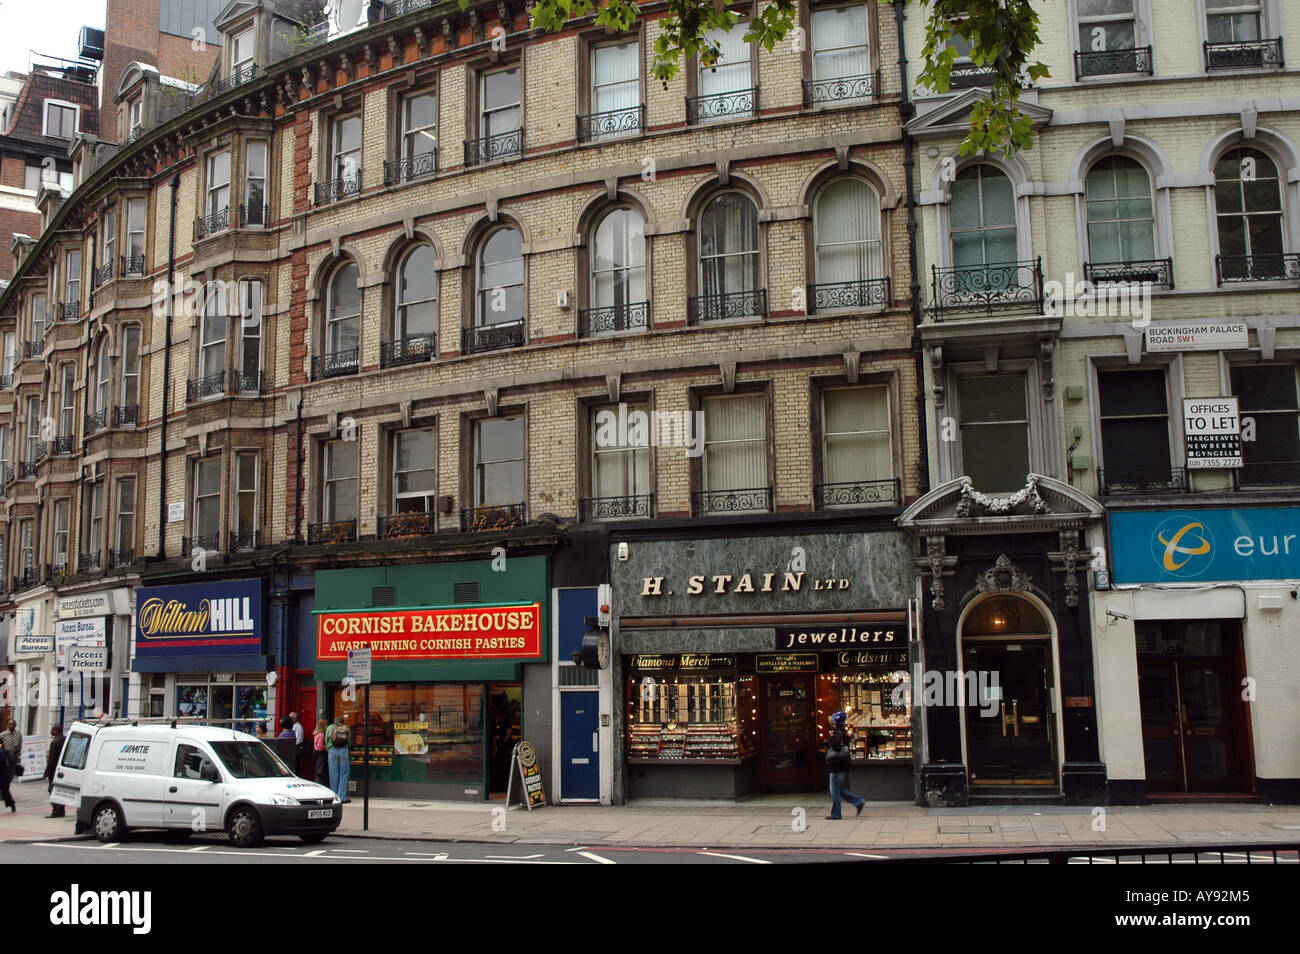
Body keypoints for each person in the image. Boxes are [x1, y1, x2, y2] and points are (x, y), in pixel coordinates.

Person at [825, 710, 864, 820]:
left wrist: (830, 741)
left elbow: (836, 746)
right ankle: (857, 802)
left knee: (834, 789)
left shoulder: (837, 732)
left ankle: (837, 813)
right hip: (843, 765)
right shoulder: (844, 732)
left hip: (837, 765)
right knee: (838, 788)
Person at [44, 725, 67, 818]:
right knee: (60, 790)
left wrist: (46, 772)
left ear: (56, 731)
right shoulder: (65, 740)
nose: (50, 731)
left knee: (52, 790)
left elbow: (51, 760)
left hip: (54, 770)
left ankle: (56, 811)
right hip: (63, 769)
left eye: (52, 729)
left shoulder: (54, 742)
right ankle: (61, 810)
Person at [327, 716, 350, 803]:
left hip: (332, 751)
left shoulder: (330, 728)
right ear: (343, 722)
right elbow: (349, 740)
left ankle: (334, 796)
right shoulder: (346, 728)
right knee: (344, 774)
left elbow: (326, 740)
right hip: (344, 750)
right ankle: (342, 797)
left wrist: (329, 748)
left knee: (333, 773)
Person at [312, 718, 329, 785]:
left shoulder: (316, 734)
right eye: (326, 725)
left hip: (317, 755)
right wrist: (327, 747)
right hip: (321, 756)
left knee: (318, 773)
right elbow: (320, 747)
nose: (327, 726)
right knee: (321, 773)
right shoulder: (321, 735)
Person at [0, 743, 15, 813]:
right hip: (5, 775)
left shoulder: (3, 754)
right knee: (5, 792)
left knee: (5, 792)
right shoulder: (5, 753)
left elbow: (12, 762)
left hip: (3, 775)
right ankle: (12, 805)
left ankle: (12, 805)